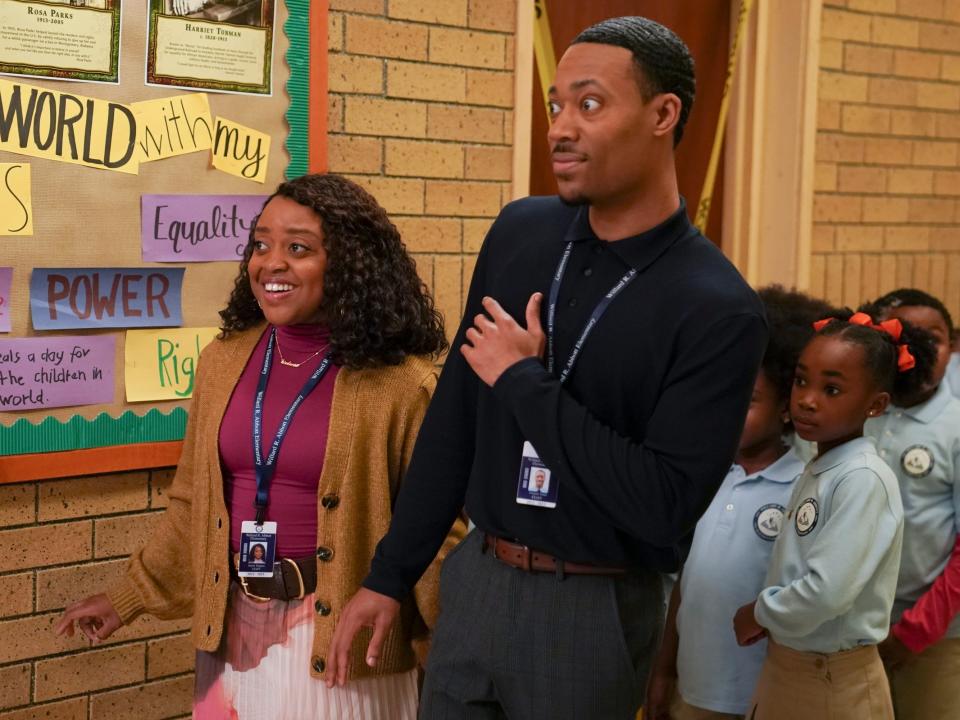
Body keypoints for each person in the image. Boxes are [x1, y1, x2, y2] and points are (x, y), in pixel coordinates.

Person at [329, 16, 767, 719]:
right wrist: (391, 574)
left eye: (589, 105)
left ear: (664, 114)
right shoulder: (521, 231)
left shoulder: (717, 307)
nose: (561, 127)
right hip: (477, 578)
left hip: (594, 601)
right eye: (555, 105)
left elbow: (661, 507)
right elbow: (455, 419)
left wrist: (526, 384)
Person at [55, 174, 465, 719]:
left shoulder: (400, 385)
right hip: (234, 630)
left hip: (344, 643)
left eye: (298, 248)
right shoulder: (224, 361)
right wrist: (128, 598)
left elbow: (437, 531)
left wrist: (459, 645)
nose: (271, 262)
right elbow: (192, 505)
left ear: (347, 264)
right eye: (261, 244)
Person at [645, 287, 837, 720]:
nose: (725, 414)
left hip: (765, 695)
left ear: (786, 407)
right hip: (693, 690)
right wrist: (663, 672)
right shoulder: (703, 477)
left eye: (747, 401)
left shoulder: (802, 488)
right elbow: (685, 584)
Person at [734, 310, 936, 720]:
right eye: (802, 381)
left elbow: (826, 592)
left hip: (829, 679)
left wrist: (759, 611)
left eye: (832, 389)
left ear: (876, 405)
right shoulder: (824, 465)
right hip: (791, 667)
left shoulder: (862, 478)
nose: (807, 399)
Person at [861, 289, 960, 719]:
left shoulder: (954, 428)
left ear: (952, 349)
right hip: (854, 631)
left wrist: (914, 632)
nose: (919, 348)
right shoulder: (858, 413)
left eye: (933, 337)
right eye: (906, 334)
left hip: (934, 639)